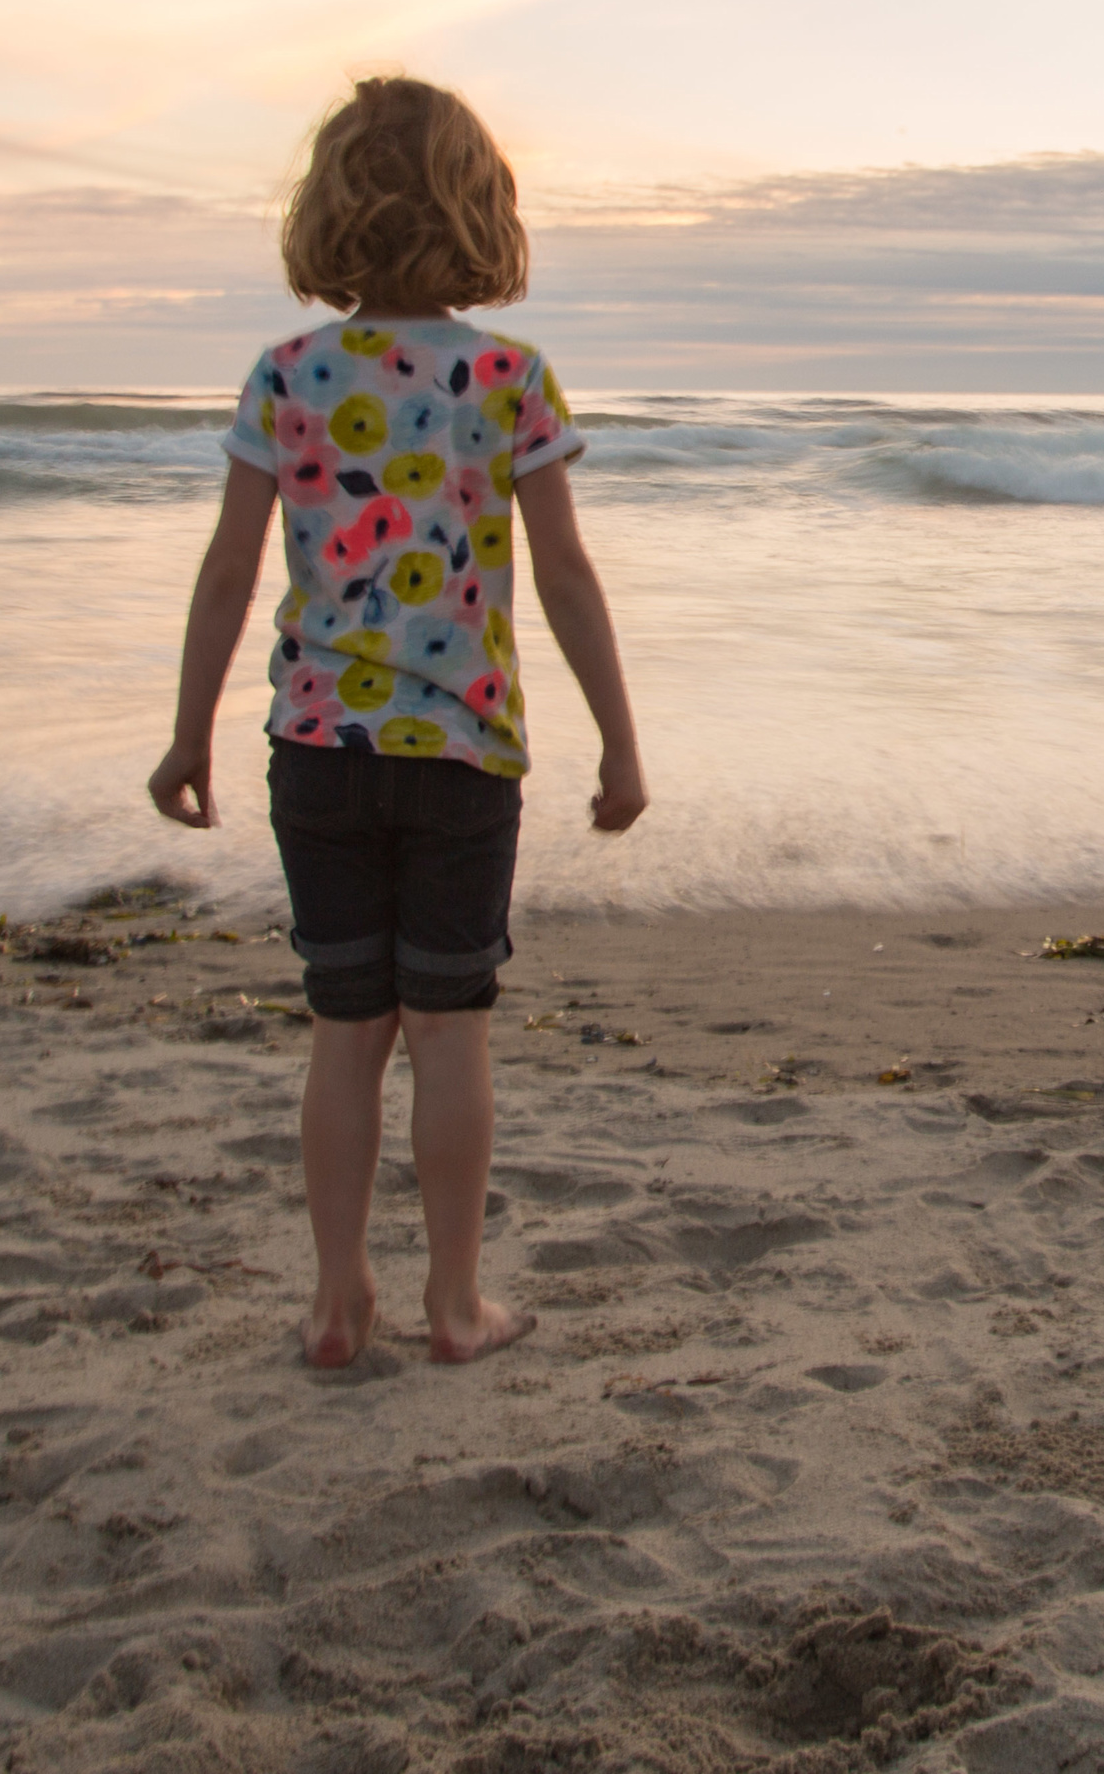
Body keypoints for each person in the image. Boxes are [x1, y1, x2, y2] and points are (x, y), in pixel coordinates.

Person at [146, 72, 645, 1369]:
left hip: (314, 749)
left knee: (344, 1028)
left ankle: (334, 1300)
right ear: (479, 210)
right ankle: (454, 1303)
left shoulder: (290, 374)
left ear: (332, 209)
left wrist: (190, 731)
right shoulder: (509, 377)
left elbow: (227, 572)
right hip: (462, 755)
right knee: (451, 1029)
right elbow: (565, 575)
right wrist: (619, 741)